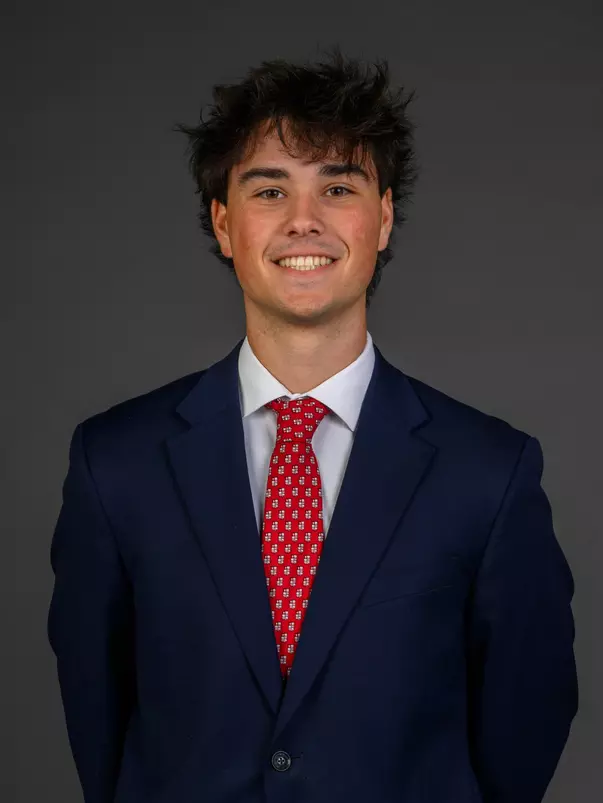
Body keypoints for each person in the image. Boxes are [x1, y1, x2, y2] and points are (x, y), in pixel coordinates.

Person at [47, 50, 578, 803]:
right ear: (224, 225)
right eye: (269, 189)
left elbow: (526, 717)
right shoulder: (115, 463)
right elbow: (97, 708)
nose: (305, 220)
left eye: (337, 186)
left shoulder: (487, 470)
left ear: (383, 218)